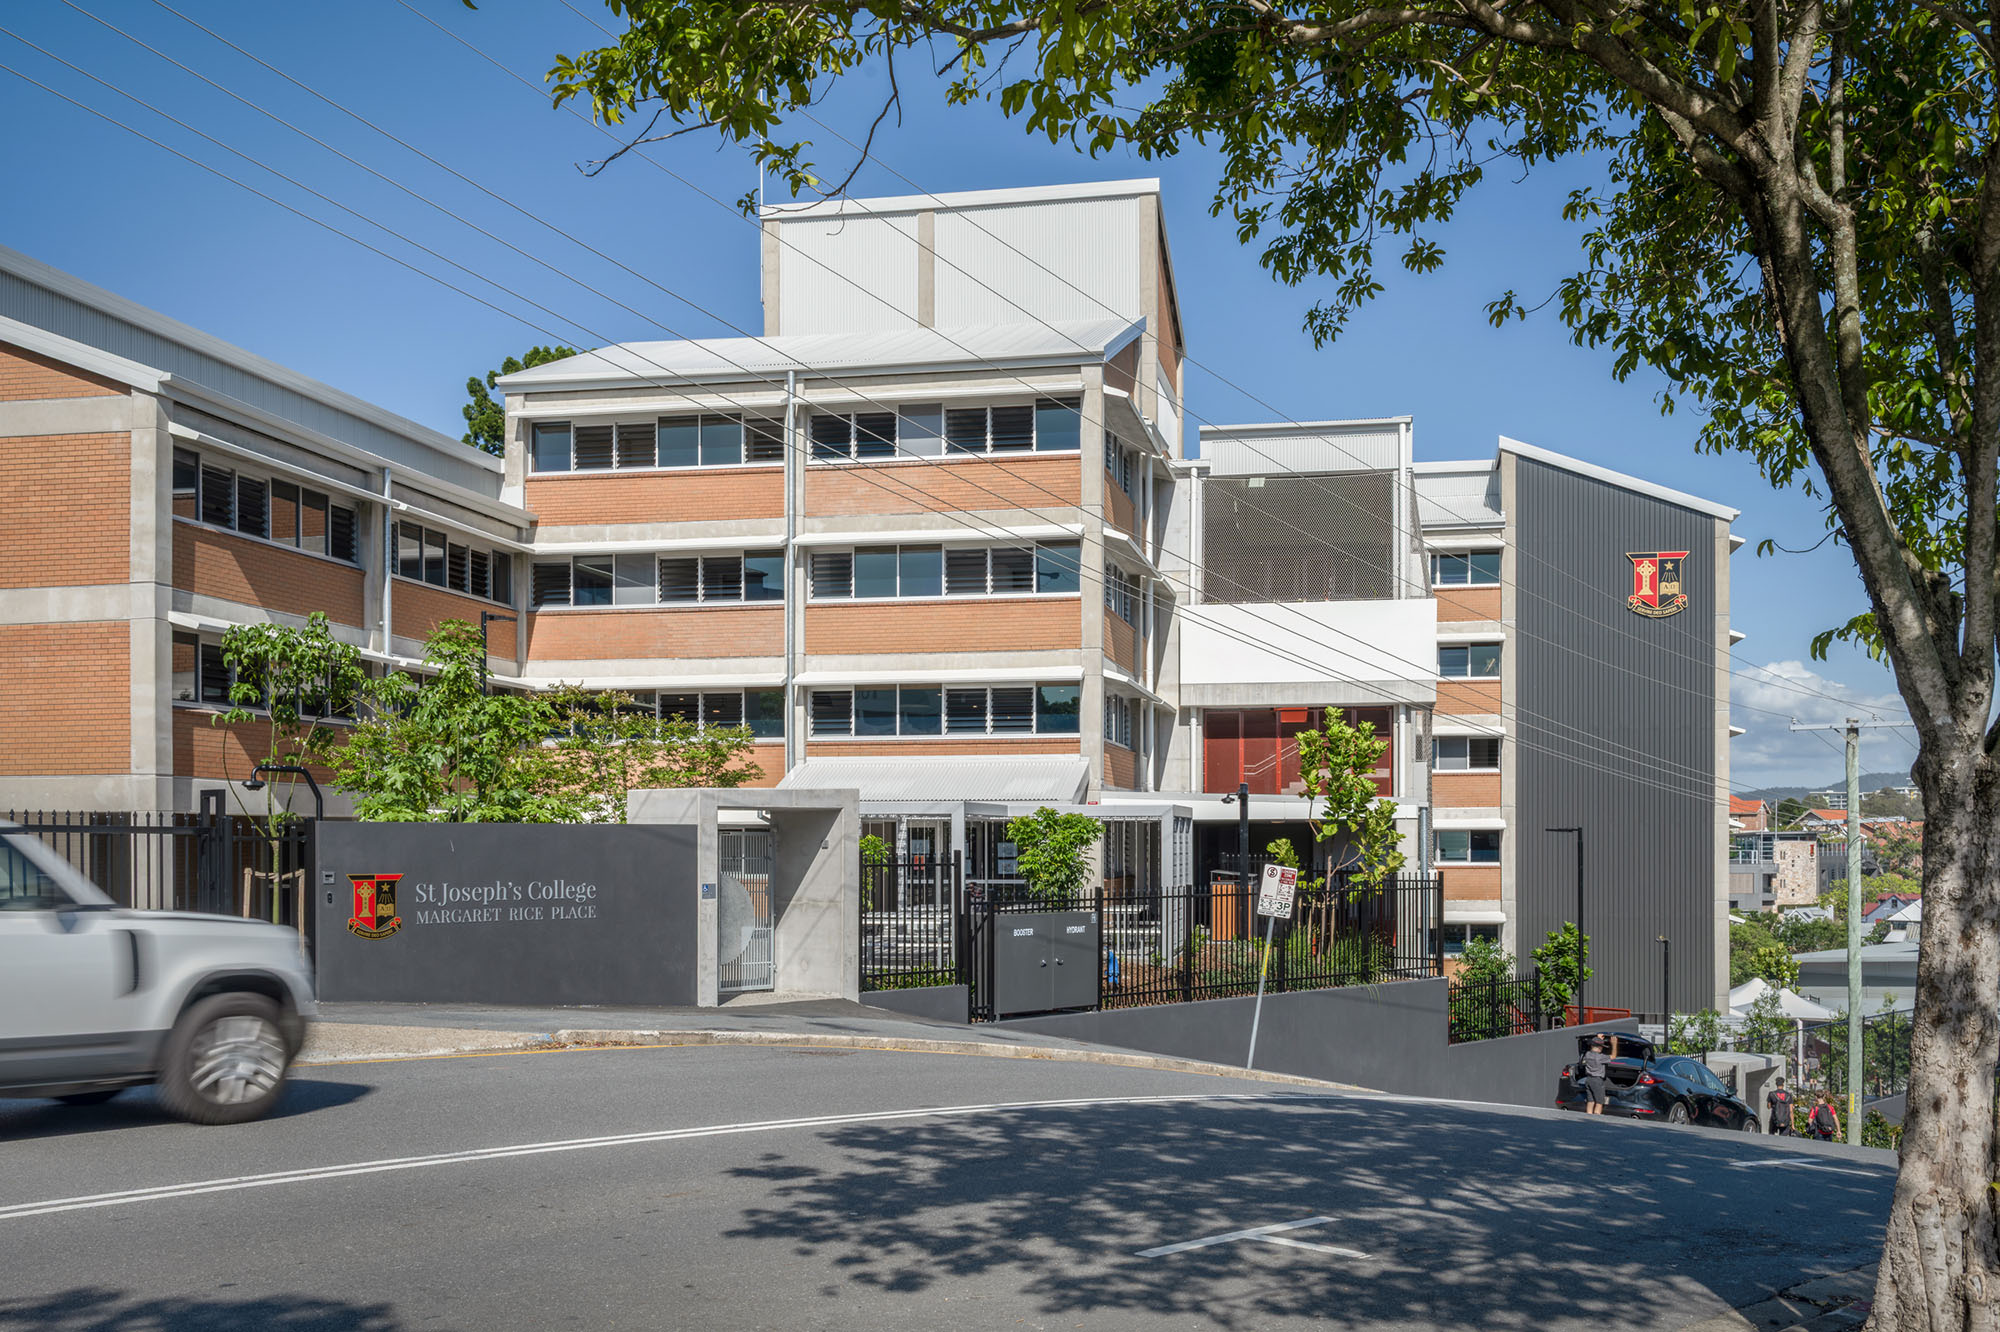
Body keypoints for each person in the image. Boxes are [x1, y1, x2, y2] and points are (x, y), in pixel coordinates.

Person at [1577, 1034, 1611, 1116]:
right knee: (1599, 1102)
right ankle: (1596, 1118)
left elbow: (1594, 1047)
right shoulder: (1600, 1057)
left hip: (1588, 1080)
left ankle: (1588, 1117)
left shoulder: (1587, 1054)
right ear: (1600, 1048)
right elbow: (1613, 1056)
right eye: (1602, 1047)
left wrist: (1598, 1039)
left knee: (1590, 1100)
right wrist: (1614, 1043)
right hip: (1597, 1081)